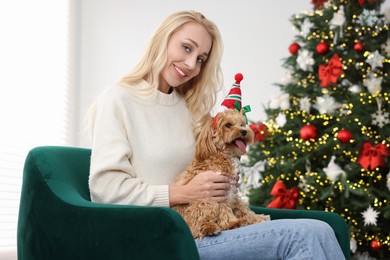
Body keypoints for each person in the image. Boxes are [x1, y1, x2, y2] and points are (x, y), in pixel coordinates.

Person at [86, 10, 345, 260]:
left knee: (321, 229)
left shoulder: (189, 107)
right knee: (301, 236)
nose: (191, 64)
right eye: (186, 48)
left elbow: (208, 163)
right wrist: (184, 193)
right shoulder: (119, 99)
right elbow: (106, 191)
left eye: (201, 59)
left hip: (209, 225)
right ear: (163, 39)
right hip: (164, 237)